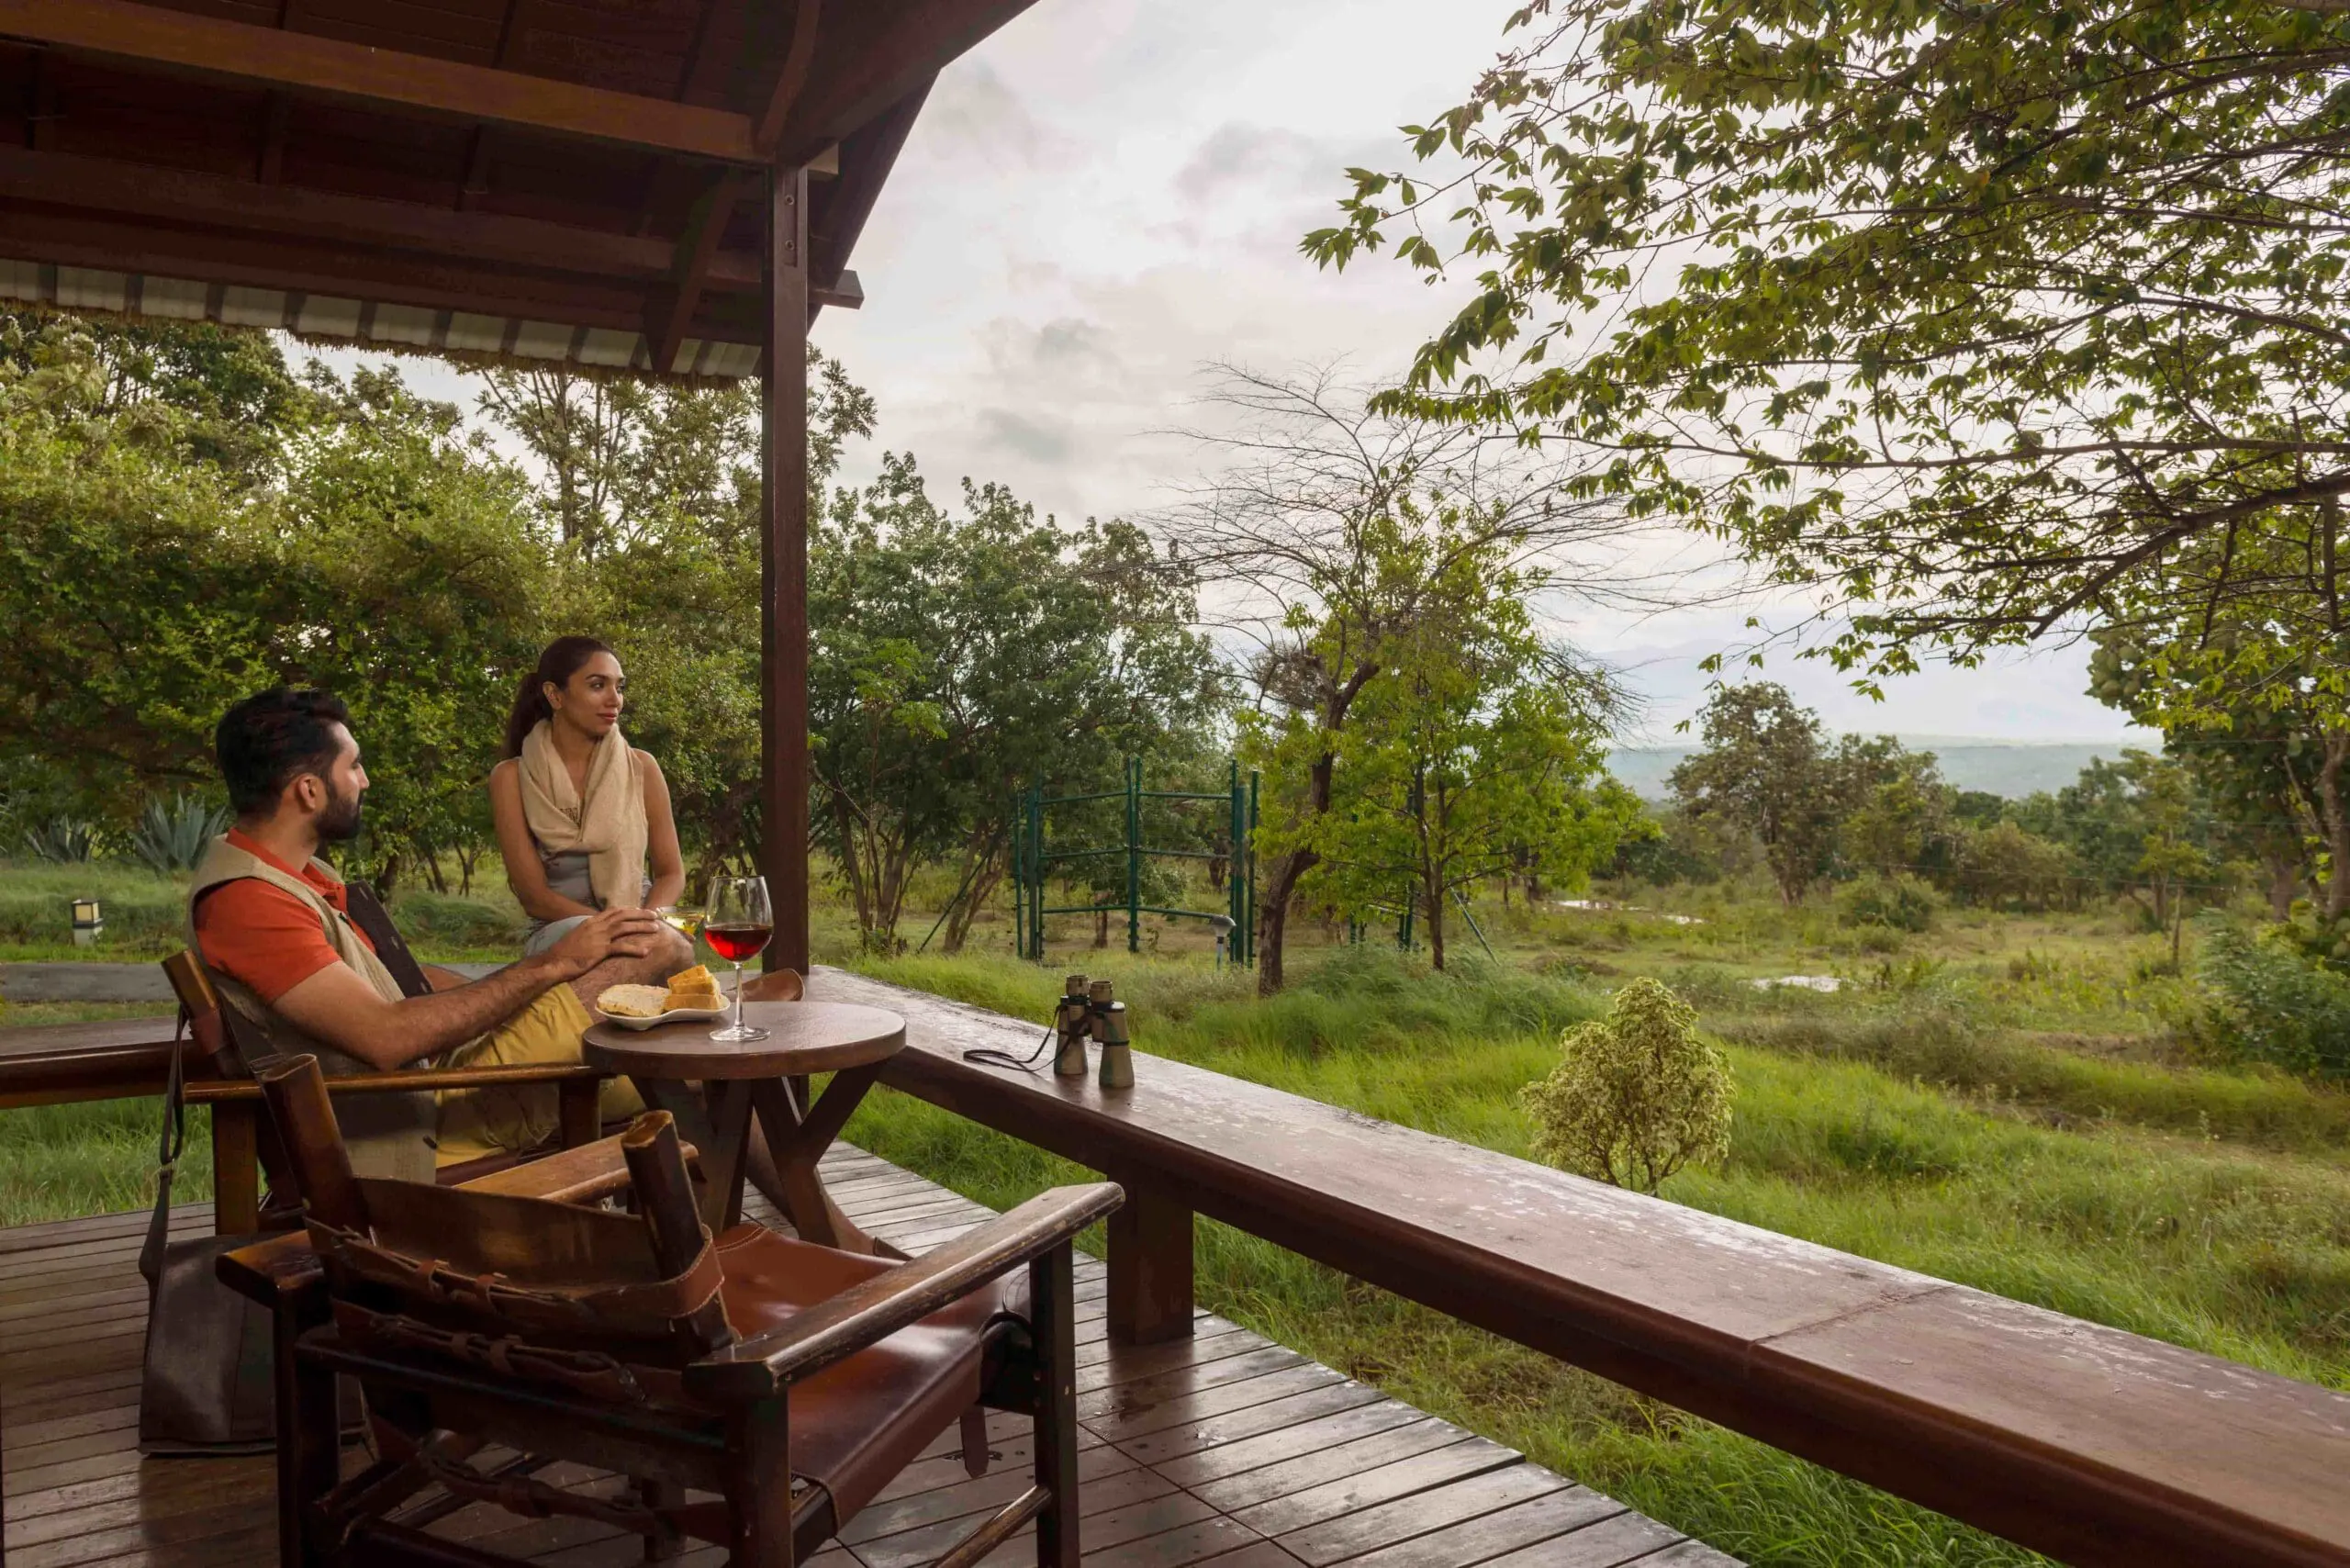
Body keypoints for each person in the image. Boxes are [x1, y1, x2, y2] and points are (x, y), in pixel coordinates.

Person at [188, 686, 693, 1176]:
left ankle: (735, 1245)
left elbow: (399, 985)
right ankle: (718, 1243)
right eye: (354, 766)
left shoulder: (298, 880)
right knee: (656, 944)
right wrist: (557, 963)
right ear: (308, 789)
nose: (364, 781)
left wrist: (524, 991)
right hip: (422, 1125)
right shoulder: (250, 903)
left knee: (704, 1077)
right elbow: (385, 1037)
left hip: (440, 1080)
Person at [488, 637, 686, 957]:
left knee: (669, 944)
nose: (615, 700)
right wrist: (613, 930)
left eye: (619, 687)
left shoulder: (642, 767)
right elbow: (534, 896)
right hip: (561, 931)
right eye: (598, 686)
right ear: (555, 695)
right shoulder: (510, 777)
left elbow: (671, 873)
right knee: (609, 950)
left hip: (643, 921)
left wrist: (645, 922)